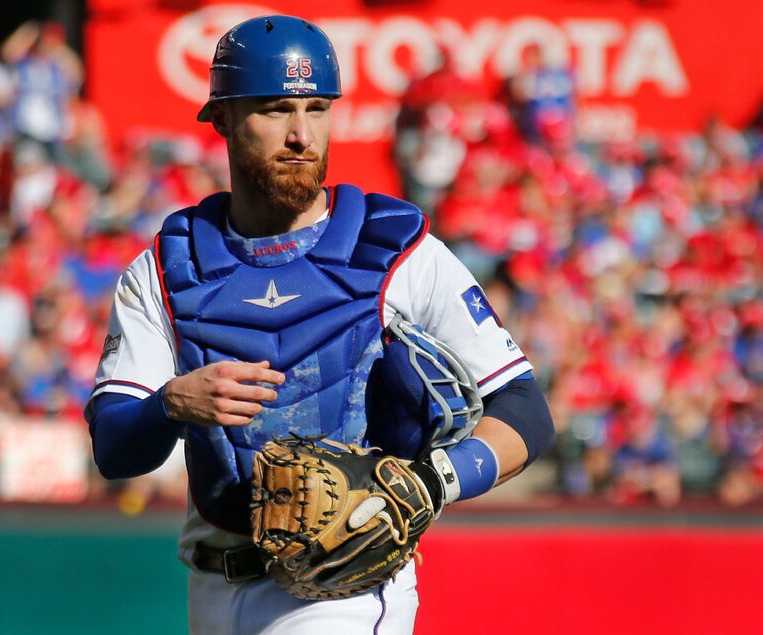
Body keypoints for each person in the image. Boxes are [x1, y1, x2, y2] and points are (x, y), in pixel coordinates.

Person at [86, 15, 555, 635]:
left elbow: (524, 410)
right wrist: (169, 405)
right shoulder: (169, 268)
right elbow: (116, 450)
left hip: (346, 588)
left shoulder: (394, 251)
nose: (302, 134)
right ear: (222, 118)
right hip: (212, 581)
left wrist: (433, 481)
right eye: (276, 109)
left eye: (317, 108)